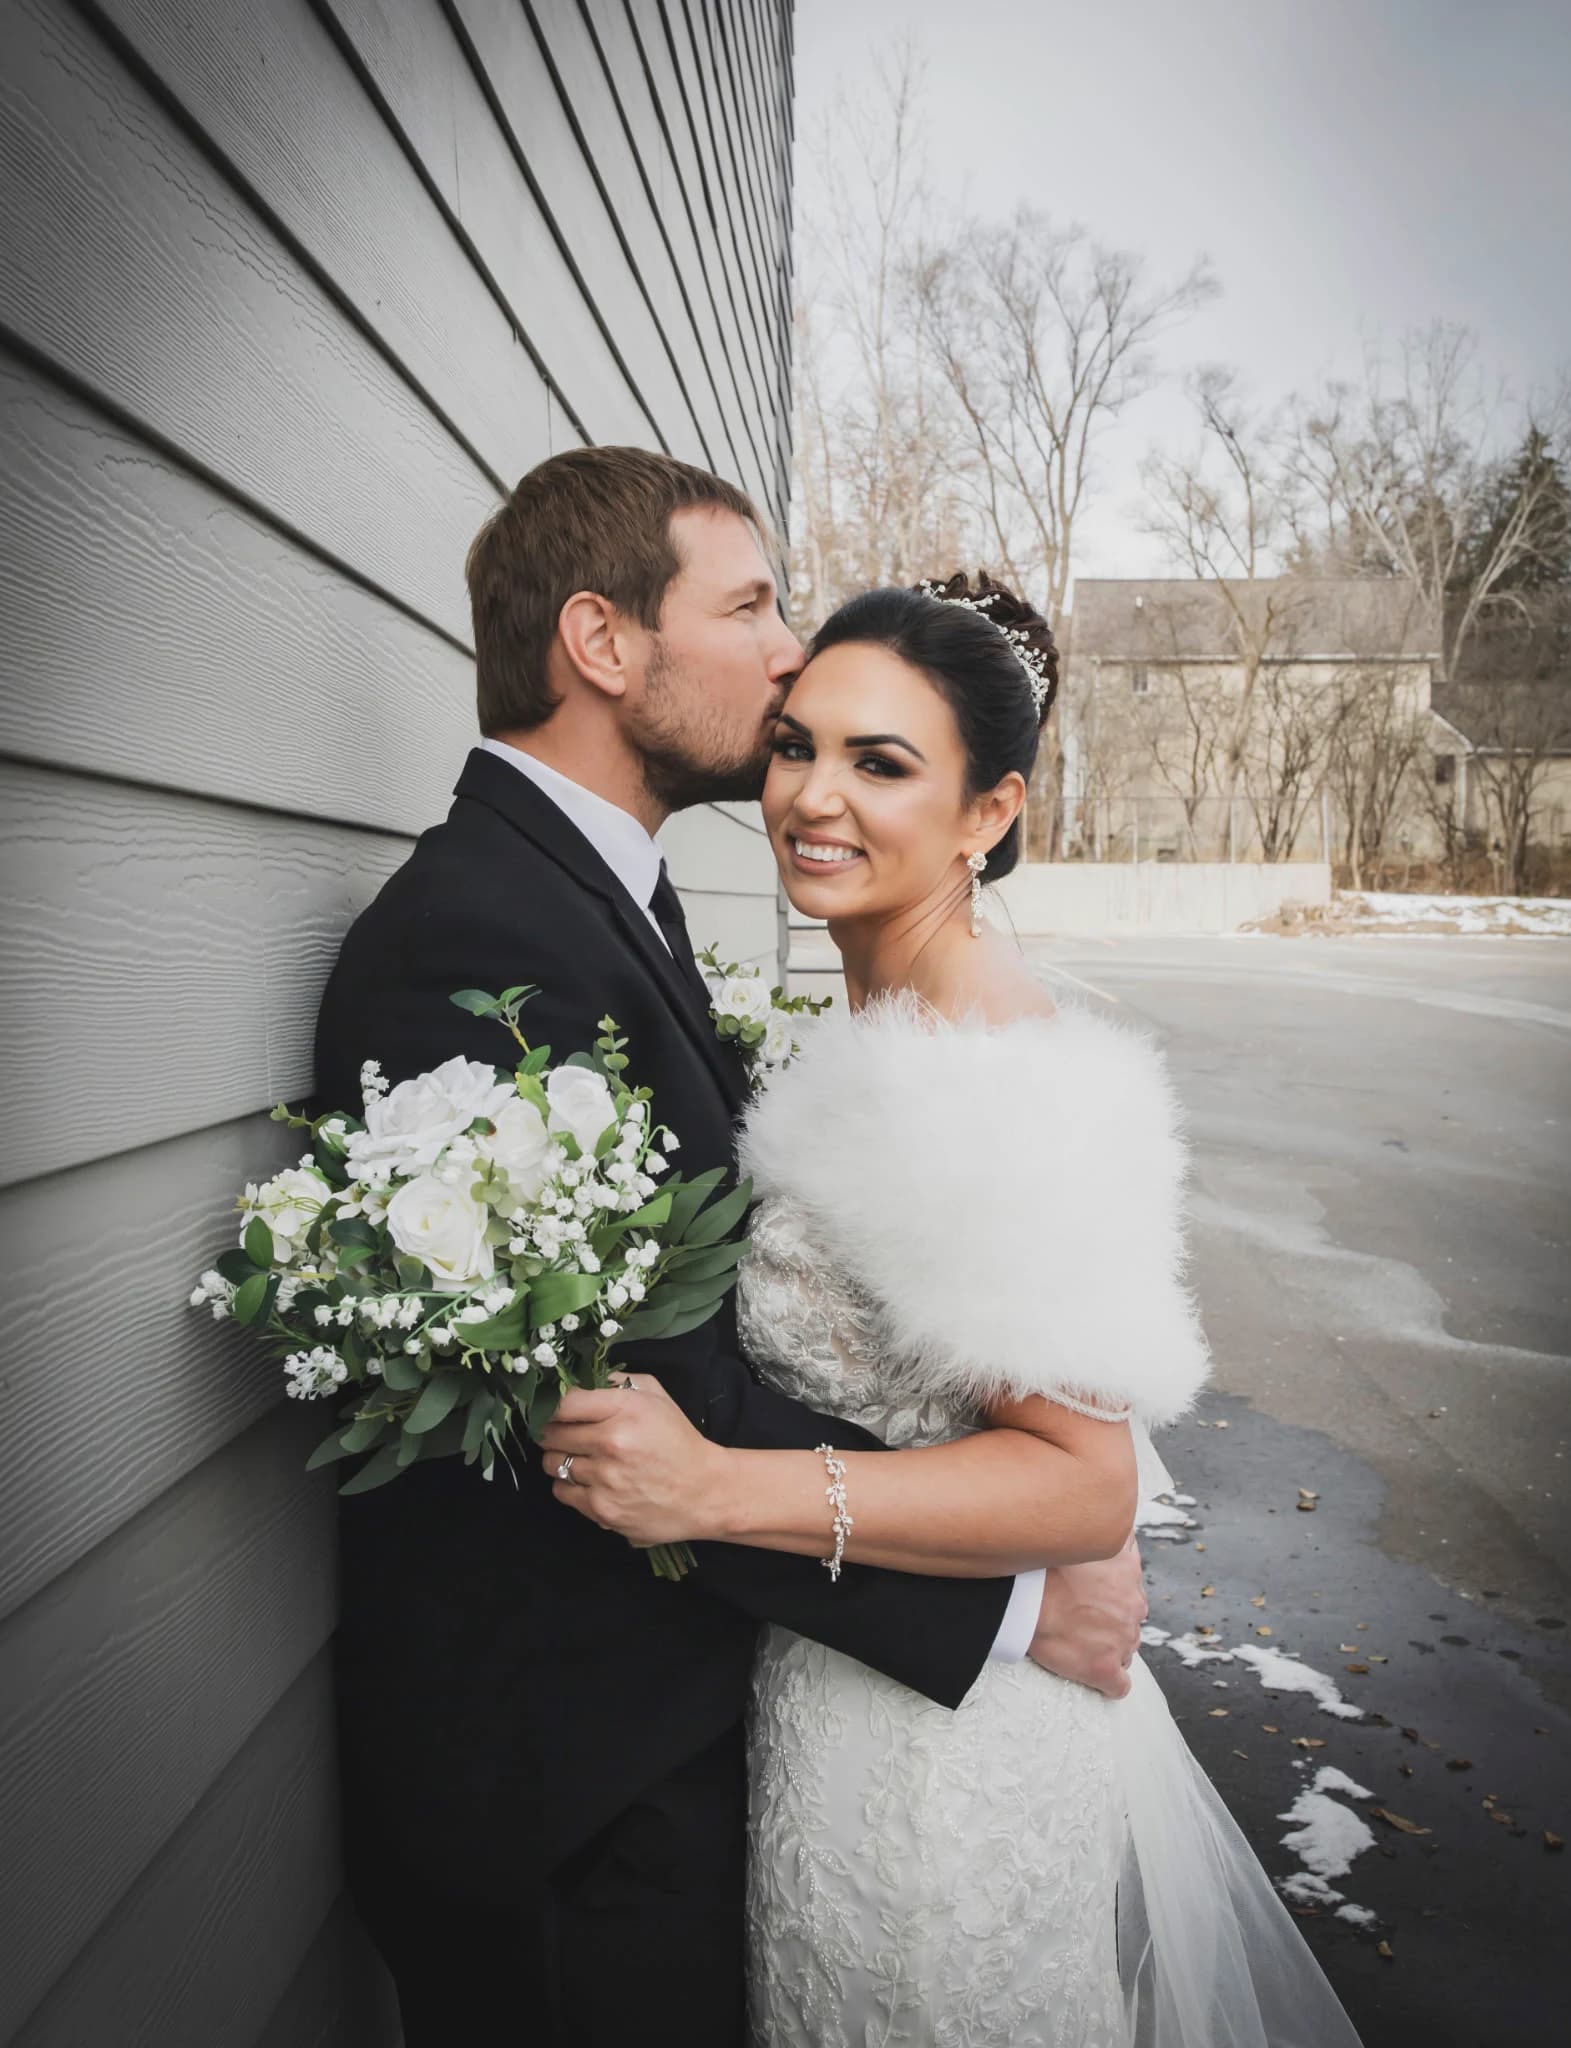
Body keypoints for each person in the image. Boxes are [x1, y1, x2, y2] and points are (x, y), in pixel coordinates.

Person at [313, 452, 1147, 2047]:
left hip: (744, 1745)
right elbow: (642, 1397)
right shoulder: (486, 939)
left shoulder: (598, 899)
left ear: (989, 812)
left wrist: (1036, 1539)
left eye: (873, 755)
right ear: (603, 645)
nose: (786, 653)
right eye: (753, 605)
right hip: (566, 1801)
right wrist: (1018, 1605)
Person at [538, 573, 1367, 2046]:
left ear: (990, 813)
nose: (813, 797)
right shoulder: (878, 1022)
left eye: (883, 764)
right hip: (844, 1692)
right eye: (798, 746)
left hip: (941, 1766)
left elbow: (1080, 1478)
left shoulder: (980, 1073)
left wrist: (717, 1486)